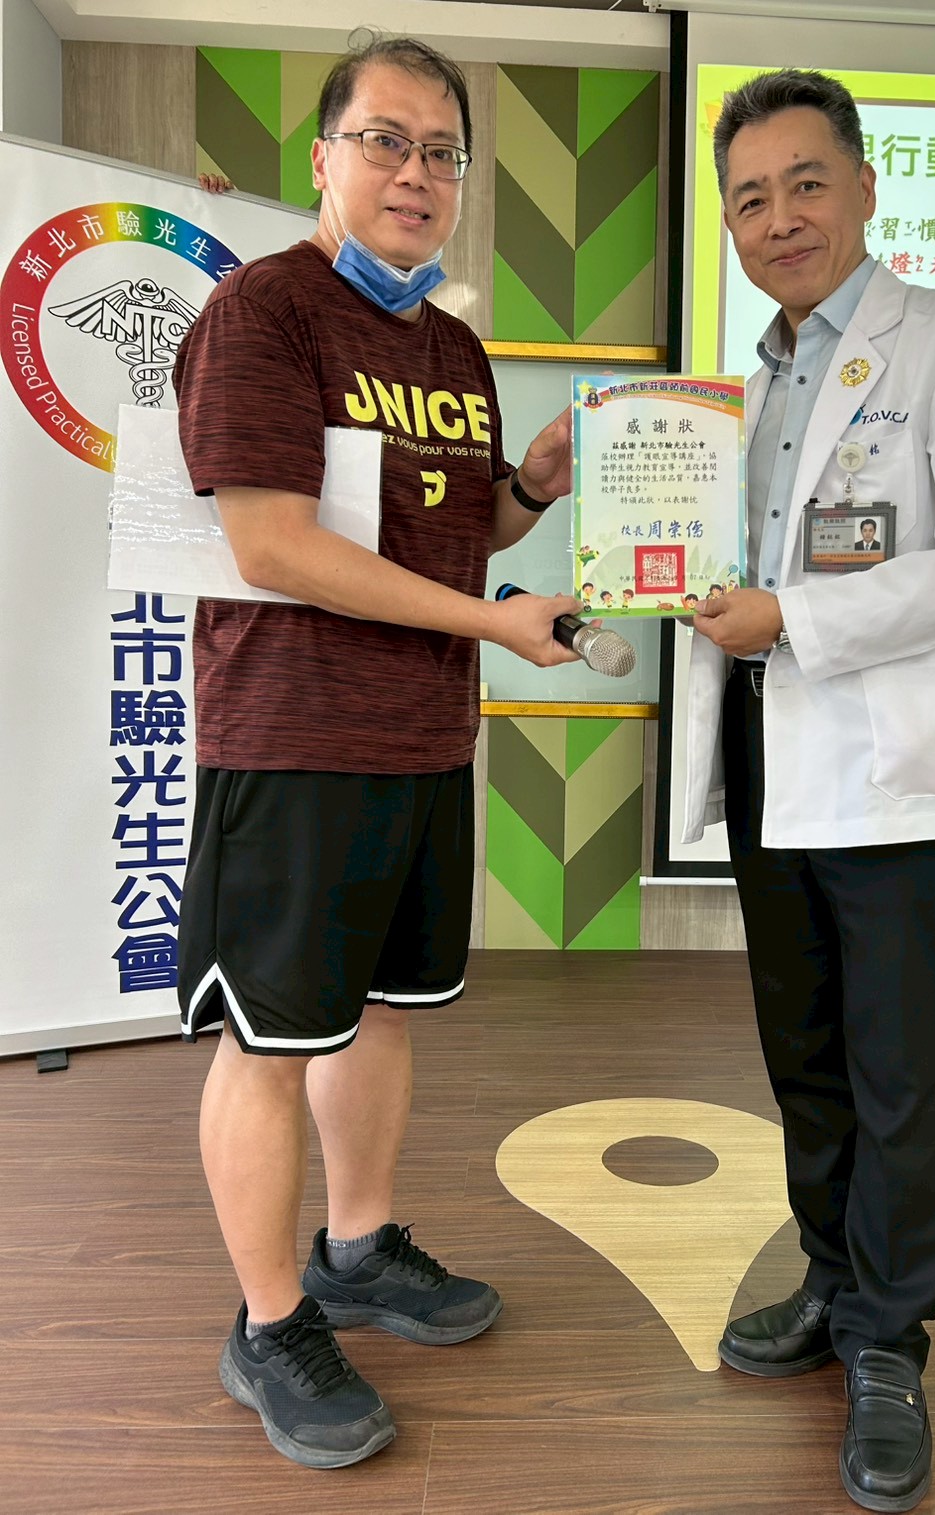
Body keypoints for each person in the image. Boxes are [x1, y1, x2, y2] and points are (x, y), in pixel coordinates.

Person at [173, 32, 582, 1470]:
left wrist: (530, 490)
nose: (417, 173)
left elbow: (458, 531)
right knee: (271, 1041)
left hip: (419, 738)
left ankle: (354, 1249)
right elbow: (273, 544)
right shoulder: (263, 312)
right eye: (386, 141)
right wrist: (492, 619)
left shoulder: (450, 348)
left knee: (383, 1011)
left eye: (442, 153)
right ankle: (269, 1321)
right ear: (324, 158)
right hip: (291, 738)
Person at [683, 69, 935, 1512]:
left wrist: (797, 619)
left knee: (900, 1080)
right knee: (807, 1059)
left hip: (901, 784)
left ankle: (890, 1344)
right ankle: (832, 1281)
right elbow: (711, 567)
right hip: (771, 760)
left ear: (865, 187)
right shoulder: (738, 391)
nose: (778, 218)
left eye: (804, 183)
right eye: (749, 198)